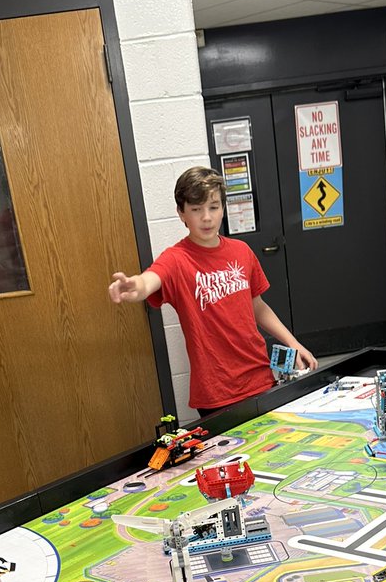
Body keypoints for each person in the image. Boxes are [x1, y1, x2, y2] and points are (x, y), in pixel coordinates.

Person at [108, 166, 317, 415]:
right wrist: (136, 286)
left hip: (260, 377)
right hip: (216, 393)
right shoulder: (176, 259)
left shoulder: (242, 251)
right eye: (196, 210)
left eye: (213, 207)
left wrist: (294, 345)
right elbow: (150, 280)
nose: (206, 217)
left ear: (223, 209)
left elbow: (257, 306)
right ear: (181, 213)